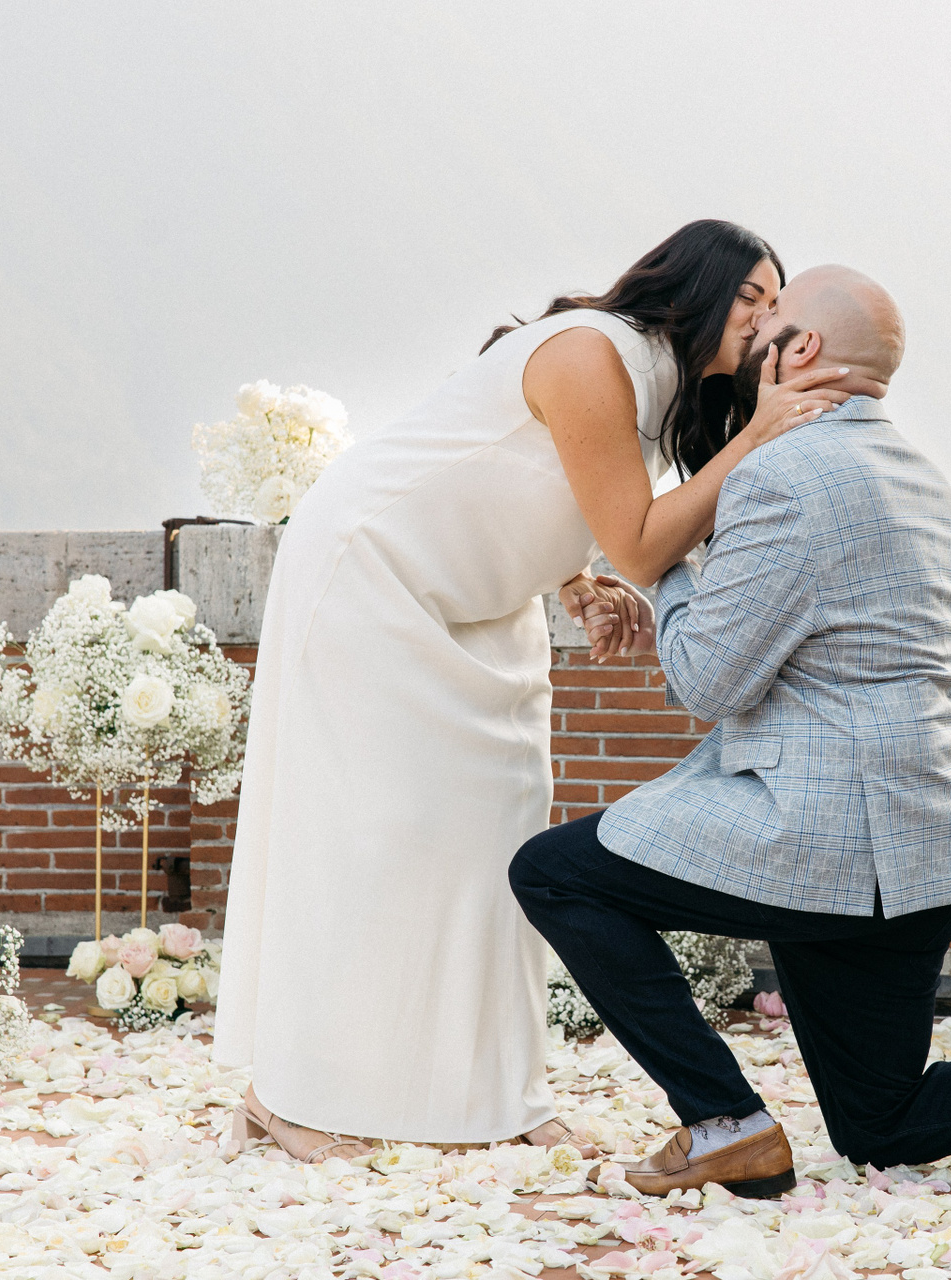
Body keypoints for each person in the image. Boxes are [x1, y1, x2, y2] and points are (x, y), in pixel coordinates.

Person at [510, 265, 951, 1196]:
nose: (753, 328)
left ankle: (725, 1121)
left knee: (555, 874)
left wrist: (665, 558)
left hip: (822, 842)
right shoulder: (917, 473)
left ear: (804, 346)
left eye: (771, 314)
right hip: (926, 847)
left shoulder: (785, 475)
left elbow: (706, 682)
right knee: (881, 1120)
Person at [214, 221, 858, 1160]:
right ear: (693, 286)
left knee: (499, 847)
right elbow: (641, 540)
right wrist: (756, 437)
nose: (764, 320)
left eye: (776, 305)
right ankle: (290, 1096)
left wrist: (574, 575)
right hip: (371, 577)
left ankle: (489, 1099)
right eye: (749, 297)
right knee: (374, 838)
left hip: (482, 604)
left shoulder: (665, 390)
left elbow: (525, 483)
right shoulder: (593, 351)